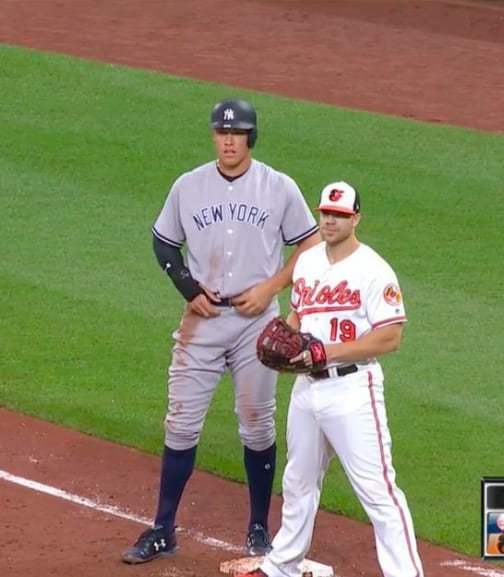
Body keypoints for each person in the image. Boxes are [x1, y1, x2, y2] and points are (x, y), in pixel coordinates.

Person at [121, 98, 320, 564]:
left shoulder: (279, 187)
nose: (229, 140)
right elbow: (164, 241)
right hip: (203, 323)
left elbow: (310, 244)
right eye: (221, 132)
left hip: (257, 324)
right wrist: (187, 287)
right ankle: (163, 528)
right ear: (213, 135)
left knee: (256, 424)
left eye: (237, 133)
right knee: (182, 422)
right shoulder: (188, 186)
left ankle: (257, 528)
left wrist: (270, 286)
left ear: (251, 137)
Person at [243, 181, 424, 577]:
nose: (330, 220)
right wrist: (283, 337)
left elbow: (390, 337)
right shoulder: (307, 262)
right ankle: (282, 565)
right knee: (298, 481)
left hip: (353, 390)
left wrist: (329, 352)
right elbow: (299, 318)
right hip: (307, 389)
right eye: (326, 213)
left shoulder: (374, 269)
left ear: (355, 218)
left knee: (379, 494)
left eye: (340, 215)